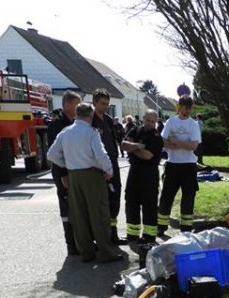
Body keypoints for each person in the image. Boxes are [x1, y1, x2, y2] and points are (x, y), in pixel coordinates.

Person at [47, 102, 124, 264]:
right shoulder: (91, 133)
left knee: (79, 215)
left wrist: (66, 165)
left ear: (76, 114)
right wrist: (109, 170)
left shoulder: (65, 132)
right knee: (99, 214)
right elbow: (101, 155)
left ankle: (86, 252)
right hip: (93, 176)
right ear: (90, 116)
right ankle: (105, 251)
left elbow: (52, 154)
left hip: (74, 176)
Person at [157, 96, 201, 234]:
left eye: (189, 108)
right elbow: (162, 141)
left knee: (188, 196)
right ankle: (161, 226)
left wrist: (176, 142)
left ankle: (186, 228)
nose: (187, 110)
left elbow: (193, 146)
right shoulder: (171, 121)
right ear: (179, 106)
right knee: (167, 195)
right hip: (173, 164)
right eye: (185, 107)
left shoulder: (193, 124)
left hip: (189, 165)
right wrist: (181, 145)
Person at [121, 109, 164, 244]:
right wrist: (139, 146)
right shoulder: (135, 130)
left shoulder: (157, 137)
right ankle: (132, 235)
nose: (150, 123)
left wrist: (132, 149)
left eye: (153, 121)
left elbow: (148, 156)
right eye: (148, 120)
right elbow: (123, 145)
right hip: (134, 172)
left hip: (149, 173)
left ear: (156, 122)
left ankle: (149, 236)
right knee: (131, 201)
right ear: (143, 118)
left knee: (149, 205)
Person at [46, 91, 81, 255]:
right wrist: (63, 174)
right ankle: (71, 245)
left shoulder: (74, 123)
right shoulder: (57, 125)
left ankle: (80, 241)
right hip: (63, 172)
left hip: (74, 170)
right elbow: (55, 154)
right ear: (67, 105)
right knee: (66, 207)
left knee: (77, 206)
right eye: (76, 105)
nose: (78, 108)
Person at [90, 88, 124, 245]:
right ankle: (100, 236)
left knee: (115, 197)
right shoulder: (90, 121)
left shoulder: (109, 121)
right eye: (102, 103)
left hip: (112, 162)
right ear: (94, 102)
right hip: (97, 167)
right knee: (99, 202)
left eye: (107, 104)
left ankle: (113, 233)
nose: (105, 107)